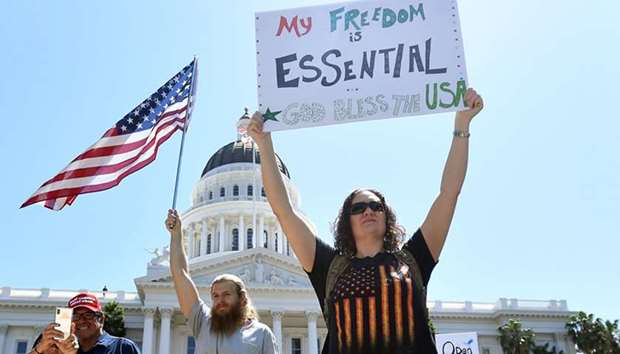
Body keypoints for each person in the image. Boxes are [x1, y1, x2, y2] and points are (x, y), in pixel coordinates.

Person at [247, 88, 484, 354]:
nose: (368, 211)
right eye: (358, 208)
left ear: (387, 216)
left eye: (376, 206)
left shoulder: (413, 260)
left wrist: (462, 124)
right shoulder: (330, 268)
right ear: (346, 222)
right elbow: (284, 211)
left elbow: (448, 194)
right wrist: (265, 145)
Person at [165, 209, 279, 354]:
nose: (220, 301)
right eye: (216, 296)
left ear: (242, 298)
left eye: (226, 294)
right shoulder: (202, 322)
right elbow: (180, 275)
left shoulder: (262, 334)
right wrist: (176, 234)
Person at [34, 293, 140, 354]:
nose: (81, 320)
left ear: (101, 319)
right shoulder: (59, 348)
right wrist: (40, 349)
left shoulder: (123, 347)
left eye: (88, 315)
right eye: (75, 316)